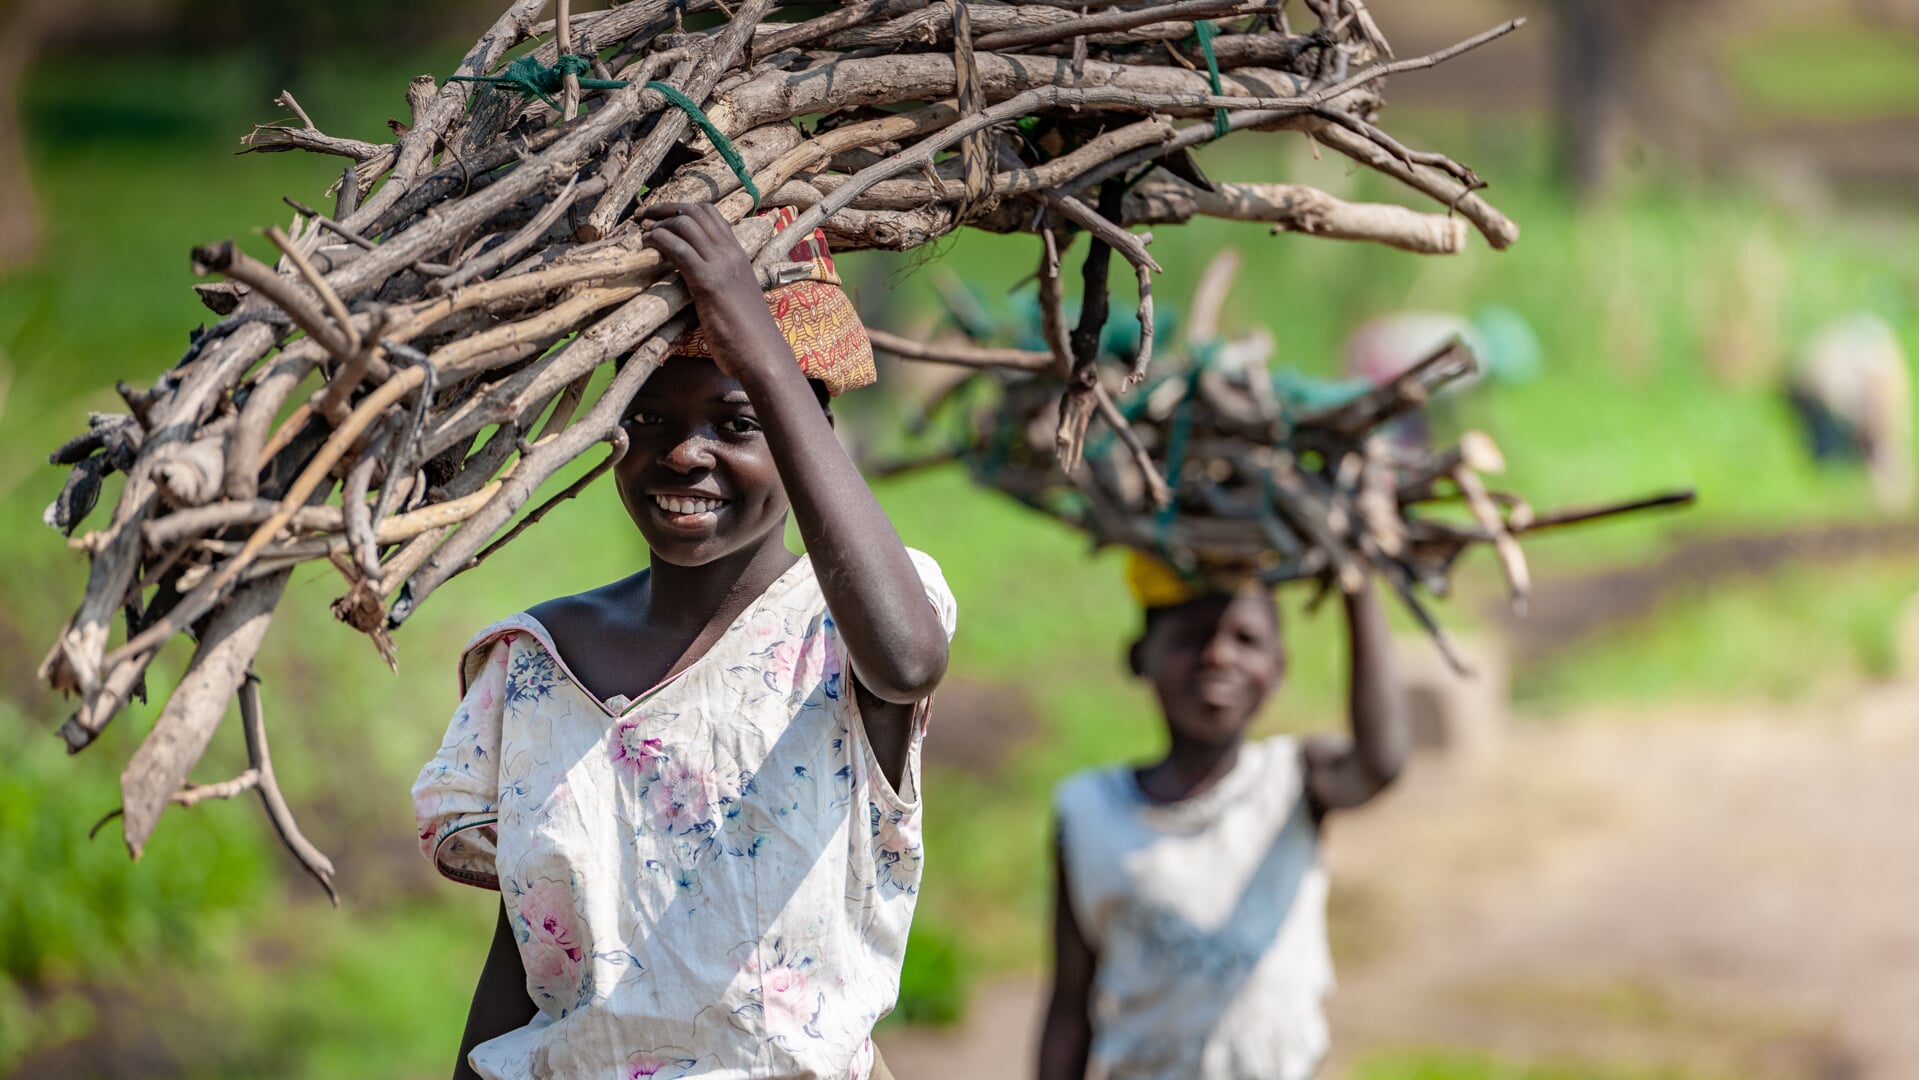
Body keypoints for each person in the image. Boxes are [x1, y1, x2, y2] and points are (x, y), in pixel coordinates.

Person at [412, 203, 957, 1080]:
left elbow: (909, 663)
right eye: (651, 418)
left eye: (738, 422)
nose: (684, 455)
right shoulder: (536, 662)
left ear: (802, 428)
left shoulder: (845, 627)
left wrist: (757, 341)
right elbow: (535, 941)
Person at [1037, 555, 1406, 1080]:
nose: (1217, 656)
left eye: (1246, 640)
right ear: (1140, 656)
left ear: (1279, 666)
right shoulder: (1088, 811)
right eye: (1191, 636)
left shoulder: (1292, 782)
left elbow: (1379, 764)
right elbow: (1070, 1004)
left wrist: (1357, 585)